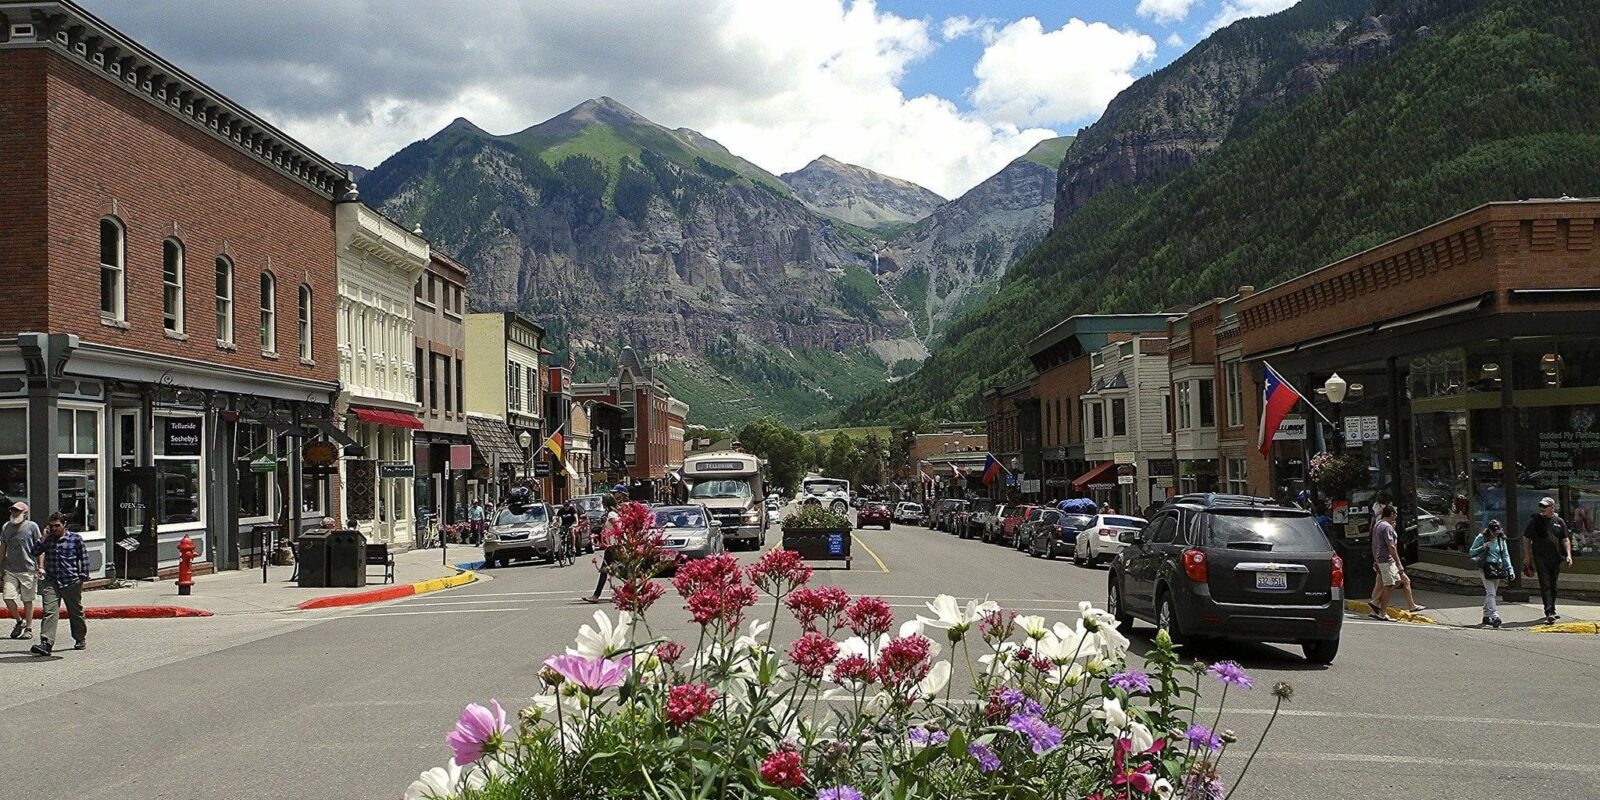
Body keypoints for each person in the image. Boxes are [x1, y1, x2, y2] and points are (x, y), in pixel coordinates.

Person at [30, 512, 87, 656]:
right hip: (52, 581)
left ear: (64, 525)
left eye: (57, 526)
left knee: (75, 612)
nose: (54, 528)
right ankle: (46, 643)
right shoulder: (48, 540)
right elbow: (34, 551)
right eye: (51, 526)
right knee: (49, 612)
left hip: (71, 582)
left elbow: (83, 557)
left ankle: (80, 638)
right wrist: (43, 538)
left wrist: (83, 575)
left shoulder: (75, 539)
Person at [1522, 496, 1573, 625]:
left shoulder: (1559, 521)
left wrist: (1568, 555)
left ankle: (1553, 608)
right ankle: (1548, 611)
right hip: (1540, 557)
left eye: (1545, 506)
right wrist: (1527, 556)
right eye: (1541, 506)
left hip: (1555, 557)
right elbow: (1527, 538)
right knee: (1545, 585)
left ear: (1552, 507)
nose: (1543, 509)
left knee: (1553, 585)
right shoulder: (1536, 521)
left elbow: (1565, 539)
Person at [1, 501, 40, 640]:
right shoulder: (6, 527)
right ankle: (19, 621)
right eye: (12, 511)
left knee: (27, 600)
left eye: (17, 511)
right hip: (11, 569)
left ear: (25, 513)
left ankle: (28, 628)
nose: (14, 513)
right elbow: (3, 547)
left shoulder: (32, 527)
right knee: (7, 597)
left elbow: (39, 547)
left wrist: (40, 567)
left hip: (28, 569)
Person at [1468, 519, 1514, 628]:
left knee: (1492, 592)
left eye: (1497, 532)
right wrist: (1483, 546)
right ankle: (1494, 615)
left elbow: (1505, 555)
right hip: (1485, 567)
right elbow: (1471, 552)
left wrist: (1510, 570)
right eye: (1493, 532)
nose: (1495, 534)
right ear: (1489, 530)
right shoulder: (1481, 538)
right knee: (1491, 592)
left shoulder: (1500, 539)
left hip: (1497, 567)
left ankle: (1486, 615)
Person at [583, 495, 622, 604]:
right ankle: (597, 594)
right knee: (607, 570)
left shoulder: (611, 515)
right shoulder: (614, 513)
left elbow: (618, 528)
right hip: (613, 546)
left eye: (603, 502)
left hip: (614, 546)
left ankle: (596, 595)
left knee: (607, 570)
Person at [1368, 505, 1406, 620]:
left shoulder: (1378, 524)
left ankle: (1375, 603)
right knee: (1389, 584)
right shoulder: (1387, 527)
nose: (1396, 516)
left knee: (1396, 581)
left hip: (1381, 559)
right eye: (1395, 513)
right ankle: (1382, 612)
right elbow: (1391, 546)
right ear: (1392, 514)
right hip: (1386, 560)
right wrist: (1398, 563)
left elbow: (1375, 543)